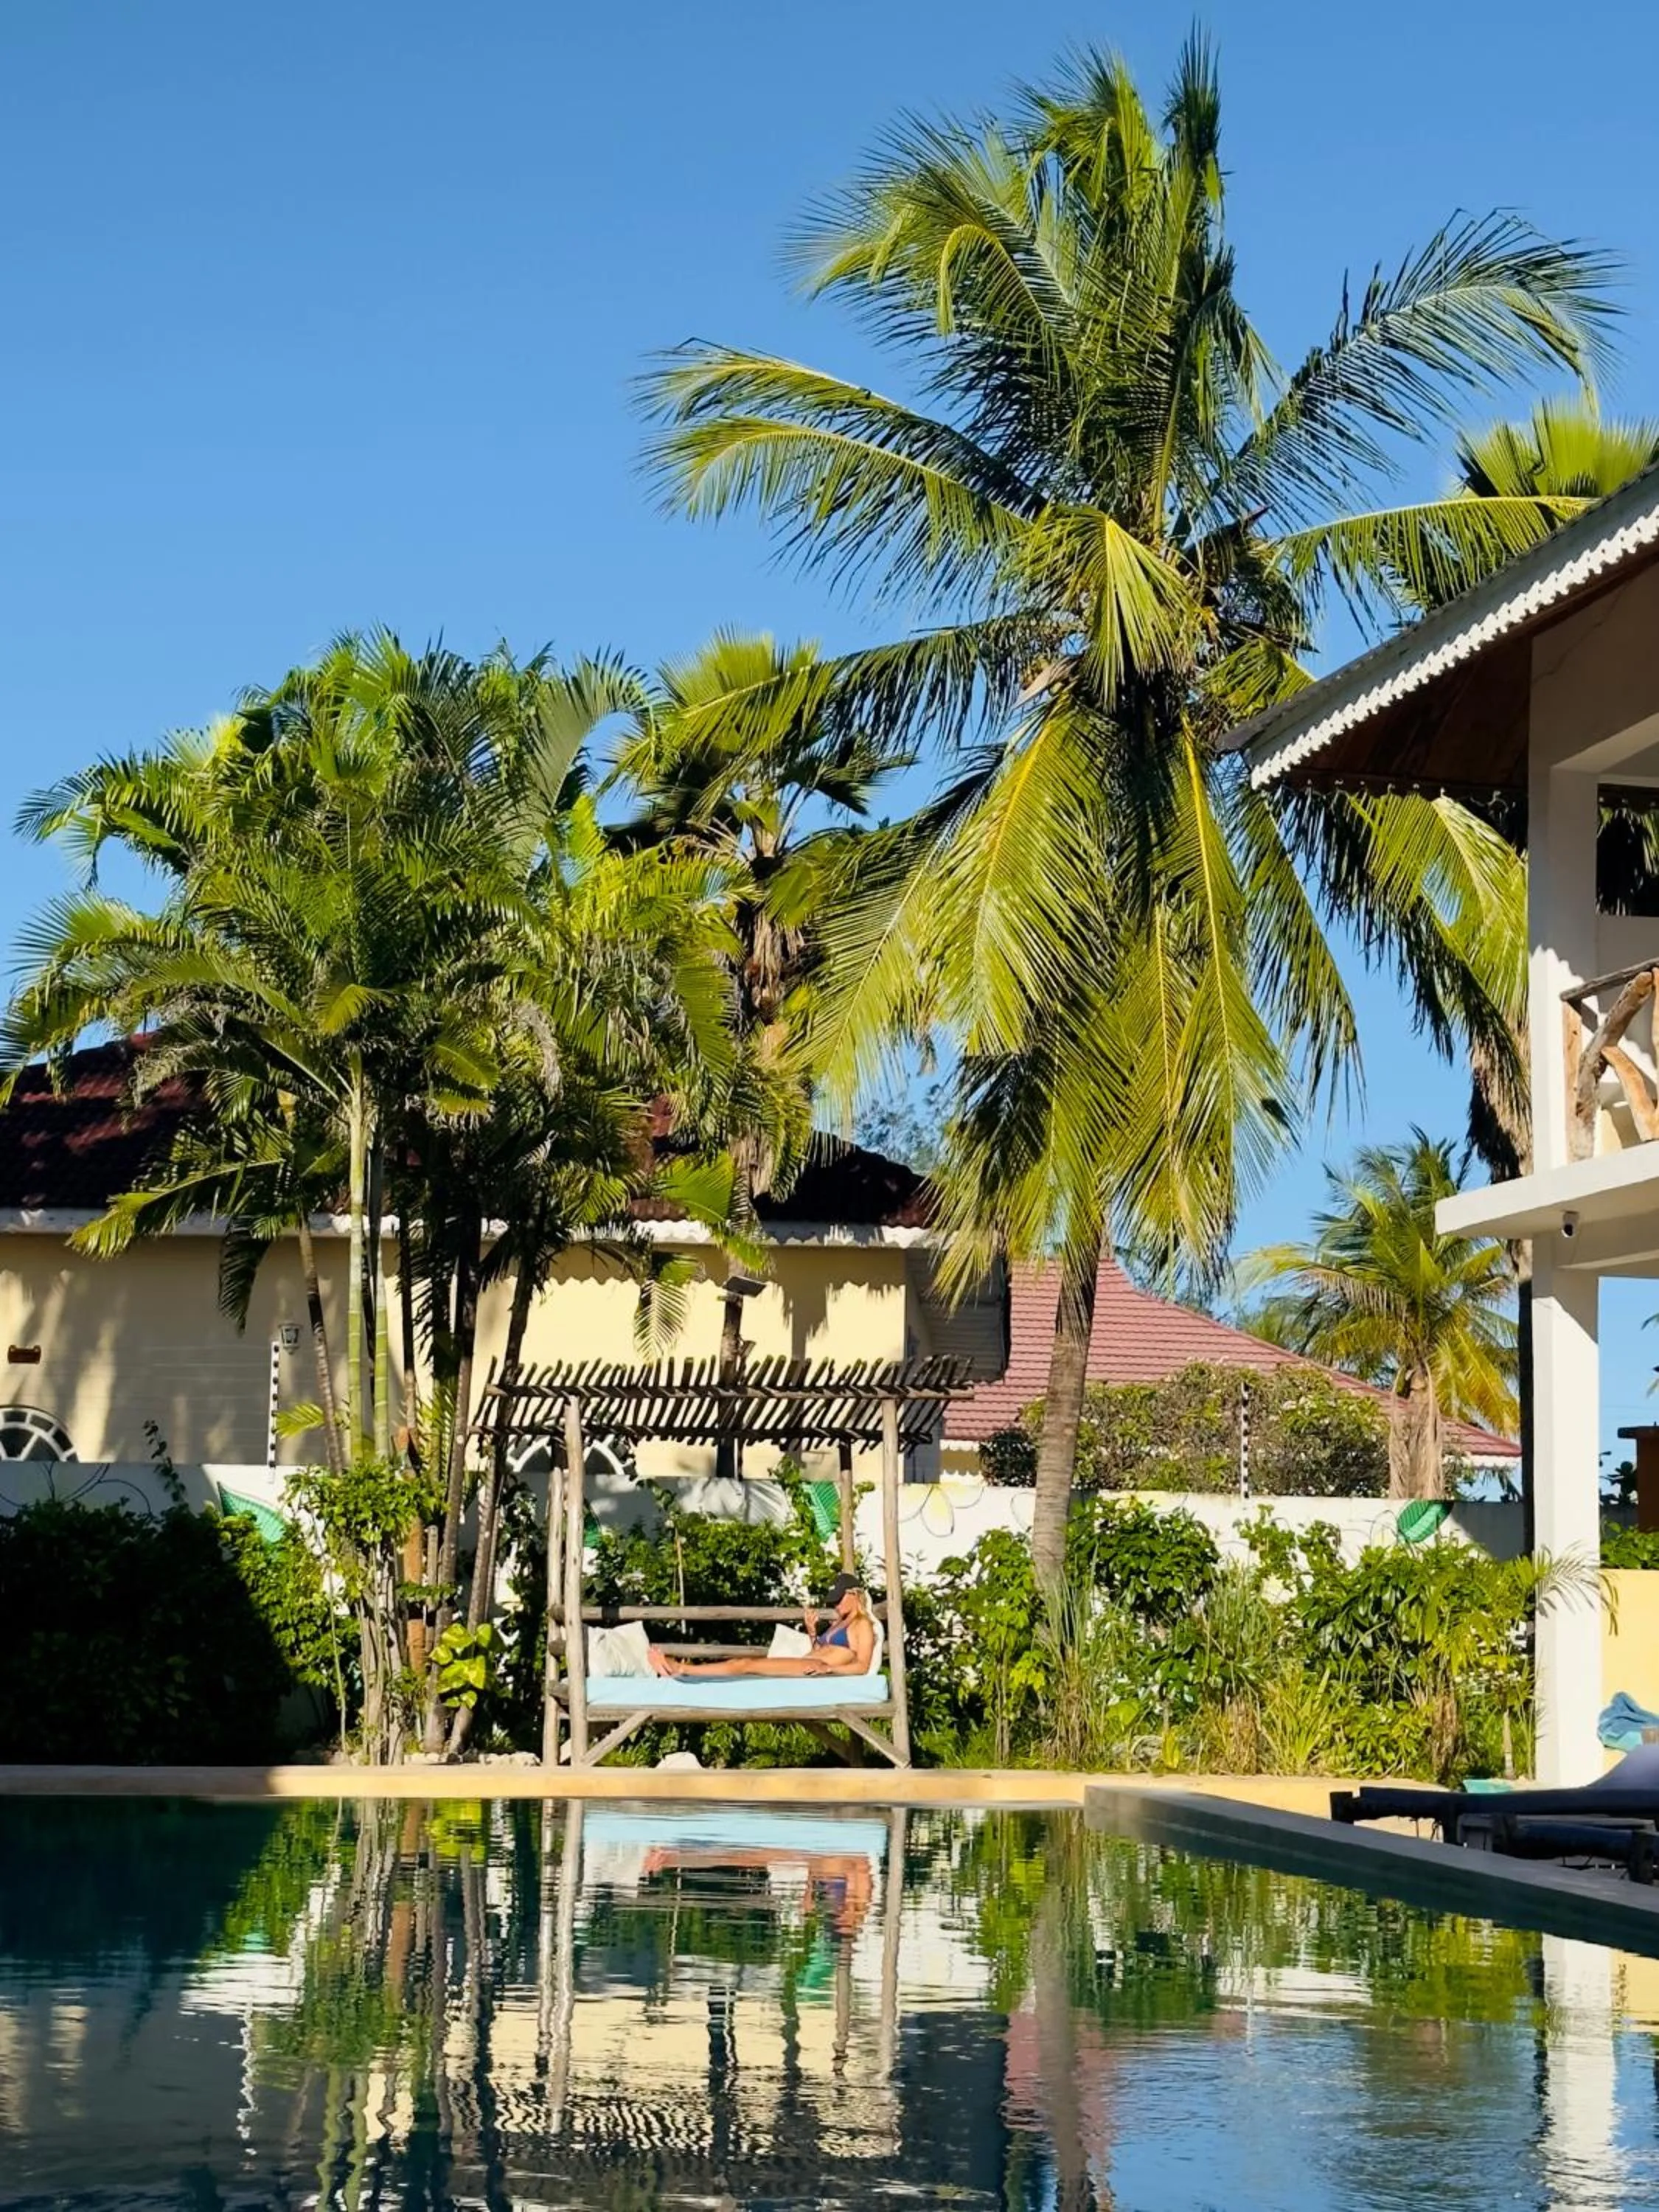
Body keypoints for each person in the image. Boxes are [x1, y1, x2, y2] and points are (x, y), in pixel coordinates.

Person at [648, 1573, 876, 1678]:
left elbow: (863, 1666)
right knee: (746, 1667)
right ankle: (685, 1673)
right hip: (810, 1663)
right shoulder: (840, 1622)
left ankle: (683, 1669)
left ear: (853, 1595)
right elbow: (821, 1651)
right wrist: (813, 1631)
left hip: (815, 1668)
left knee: (745, 1664)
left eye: (838, 1600)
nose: (835, 1605)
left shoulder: (862, 1624)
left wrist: (829, 1669)